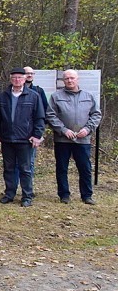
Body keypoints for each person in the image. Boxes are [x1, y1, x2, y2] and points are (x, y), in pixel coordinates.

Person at [46, 69, 102, 205]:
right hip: (62, 139)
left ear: (78, 79)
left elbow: (96, 115)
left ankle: (87, 195)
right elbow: (50, 115)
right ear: (63, 81)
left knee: (85, 168)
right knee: (62, 168)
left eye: (72, 78)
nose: (69, 80)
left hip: (83, 139)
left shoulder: (88, 96)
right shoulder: (56, 96)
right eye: (67, 79)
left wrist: (87, 129)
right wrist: (63, 130)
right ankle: (64, 195)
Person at [0, 68, 45, 207]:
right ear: (10, 79)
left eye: (20, 78)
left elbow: (39, 118)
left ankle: (27, 196)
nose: (17, 80)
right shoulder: (3, 96)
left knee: (25, 169)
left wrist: (37, 135)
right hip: (7, 139)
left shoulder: (33, 96)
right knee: (8, 168)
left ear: (25, 79)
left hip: (25, 139)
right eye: (14, 78)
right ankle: (9, 194)